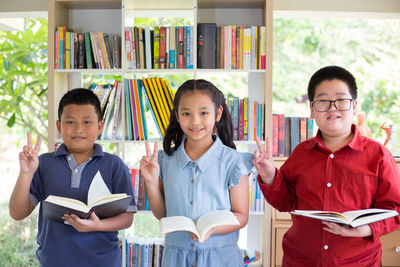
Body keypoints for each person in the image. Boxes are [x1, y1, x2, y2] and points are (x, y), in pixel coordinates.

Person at [253, 66, 400, 267]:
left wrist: (367, 229)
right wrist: (270, 176)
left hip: (359, 262)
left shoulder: (378, 155)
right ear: (312, 110)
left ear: (354, 106)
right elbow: (285, 203)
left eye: (341, 100)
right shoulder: (301, 153)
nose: (333, 107)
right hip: (301, 261)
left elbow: (395, 209)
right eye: (323, 101)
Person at [9, 88, 136, 267]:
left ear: (100, 126)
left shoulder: (114, 165)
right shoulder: (42, 164)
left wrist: (96, 226)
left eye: (87, 122)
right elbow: (17, 213)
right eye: (70, 122)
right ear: (59, 126)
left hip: (103, 262)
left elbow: (128, 217)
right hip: (54, 262)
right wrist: (26, 173)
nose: (78, 129)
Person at [140, 79, 253, 267]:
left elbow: (241, 216)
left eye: (203, 113)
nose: (195, 121)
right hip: (175, 259)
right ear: (177, 116)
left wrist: (212, 230)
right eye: (186, 113)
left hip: (221, 259)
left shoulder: (233, 162)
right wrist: (151, 182)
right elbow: (163, 215)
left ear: (218, 114)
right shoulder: (164, 161)